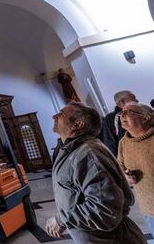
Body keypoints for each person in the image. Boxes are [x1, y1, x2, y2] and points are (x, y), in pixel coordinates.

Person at [46, 102, 146, 243]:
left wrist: (62, 220)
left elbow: (105, 209)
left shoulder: (88, 153)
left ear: (78, 125)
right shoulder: (73, 150)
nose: (54, 116)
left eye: (61, 114)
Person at [117, 102, 154, 237]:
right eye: (121, 113)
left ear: (145, 118)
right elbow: (120, 166)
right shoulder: (123, 143)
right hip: (148, 207)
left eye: (129, 112)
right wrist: (126, 175)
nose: (122, 115)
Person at [101, 90, 137, 156]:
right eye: (134, 99)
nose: (137, 101)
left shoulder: (140, 113)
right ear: (122, 102)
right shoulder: (110, 119)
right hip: (127, 157)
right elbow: (110, 143)